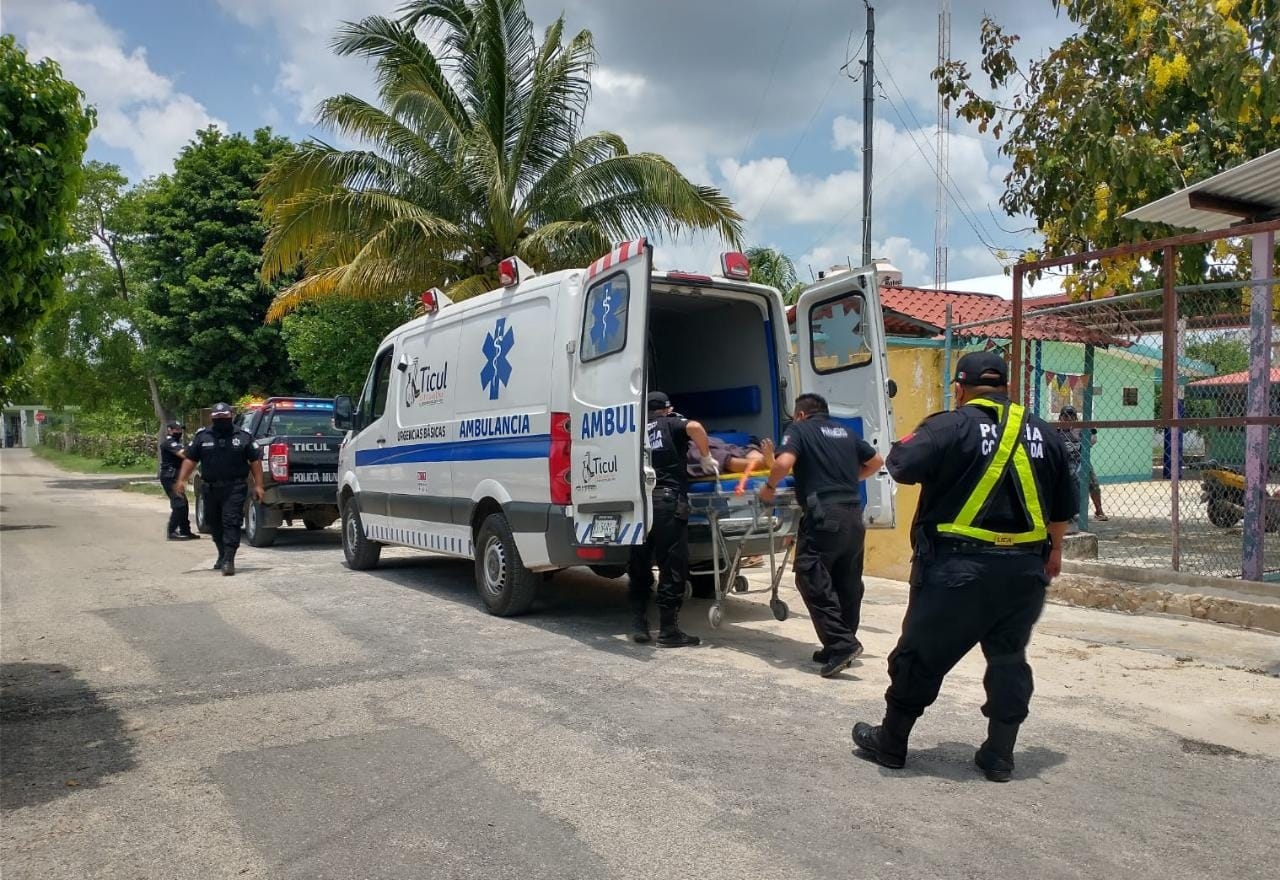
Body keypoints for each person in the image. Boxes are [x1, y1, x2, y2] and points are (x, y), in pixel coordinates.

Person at [852, 351, 1077, 782]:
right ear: (1006, 387)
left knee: (919, 656)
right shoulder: (1044, 433)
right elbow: (1063, 505)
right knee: (1009, 657)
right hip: (1023, 573)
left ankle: (892, 744)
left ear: (960, 386)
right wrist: (1055, 552)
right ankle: (999, 755)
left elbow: (900, 466)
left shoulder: (949, 425)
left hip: (956, 571)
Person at [758, 393, 883, 678]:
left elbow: (783, 463)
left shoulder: (800, 430)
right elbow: (876, 461)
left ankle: (841, 644)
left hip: (824, 516)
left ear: (801, 414)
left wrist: (768, 488)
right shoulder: (846, 432)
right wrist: (849, 481)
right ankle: (838, 644)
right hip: (853, 514)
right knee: (846, 582)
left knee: (810, 576)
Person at [628, 391, 717, 647]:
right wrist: (705, 455)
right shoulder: (673, 422)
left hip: (641, 503)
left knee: (640, 564)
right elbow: (696, 427)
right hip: (668, 504)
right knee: (672, 567)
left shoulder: (636, 431)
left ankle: (639, 624)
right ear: (667, 409)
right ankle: (668, 631)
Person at [173, 403, 264, 576]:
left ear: (231, 416)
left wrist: (259, 485)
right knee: (213, 523)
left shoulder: (243, 436)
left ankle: (229, 559)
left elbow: (255, 462)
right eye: (218, 417)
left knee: (231, 522)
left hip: (235, 487)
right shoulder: (202, 436)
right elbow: (190, 459)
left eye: (225, 417)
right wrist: (181, 480)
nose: (221, 420)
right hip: (210, 488)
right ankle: (222, 553)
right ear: (212, 418)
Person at [1057, 406, 1108, 520]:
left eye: (1072, 415)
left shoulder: (1079, 429)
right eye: (1066, 416)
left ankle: (1099, 510)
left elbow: (1093, 439)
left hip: (1081, 460)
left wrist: (1084, 442)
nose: (1069, 418)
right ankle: (1071, 512)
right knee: (1071, 483)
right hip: (1065, 462)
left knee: (1094, 484)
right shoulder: (1057, 430)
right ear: (1060, 418)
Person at [686, 435, 776, 495]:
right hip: (718, 457)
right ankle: (765, 463)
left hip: (730, 449)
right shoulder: (691, 451)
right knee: (729, 461)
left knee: (748, 451)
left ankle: (766, 460)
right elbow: (730, 464)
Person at [159, 420, 198, 540]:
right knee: (179, 504)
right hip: (169, 476)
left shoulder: (177, 442)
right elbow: (184, 454)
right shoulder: (169, 443)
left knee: (183, 504)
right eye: (176, 429)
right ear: (169, 430)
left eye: (180, 429)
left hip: (176, 476)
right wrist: (196, 445)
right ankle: (171, 531)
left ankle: (185, 531)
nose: (179, 431)